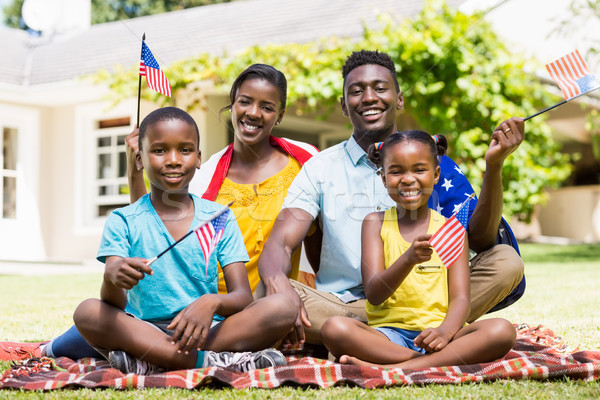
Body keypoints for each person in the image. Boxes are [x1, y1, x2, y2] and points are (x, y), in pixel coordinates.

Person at [25, 64, 317, 362]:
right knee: (91, 313)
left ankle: (148, 359)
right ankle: (198, 360)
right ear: (232, 104)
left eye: (267, 106)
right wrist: (133, 169)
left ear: (280, 115)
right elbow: (149, 223)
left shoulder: (305, 163)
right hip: (171, 301)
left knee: (280, 307)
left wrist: (216, 302)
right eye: (244, 101)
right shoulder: (209, 173)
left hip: (228, 310)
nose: (253, 112)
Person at [258, 50, 525, 345]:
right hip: (344, 308)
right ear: (344, 106)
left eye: (380, 88)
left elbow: (481, 240)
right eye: (356, 91)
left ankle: (408, 337)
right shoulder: (321, 168)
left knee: (506, 261)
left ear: (399, 99)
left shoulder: (434, 164)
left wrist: (495, 165)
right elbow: (281, 241)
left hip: (427, 302)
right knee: (267, 293)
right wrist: (275, 281)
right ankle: (417, 342)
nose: (369, 97)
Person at [72, 107, 296, 374]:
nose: (174, 160)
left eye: (185, 150)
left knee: (283, 306)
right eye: (159, 151)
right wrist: (112, 276)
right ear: (140, 159)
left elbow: (242, 297)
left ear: (199, 158)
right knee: (87, 312)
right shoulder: (123, 219)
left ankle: (153, 361)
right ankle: (210, 362)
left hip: (205, 330)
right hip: (144, 329)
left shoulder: (219, 217)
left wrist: (210, 302)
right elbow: (114, 305)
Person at [320, 131, 516, 368]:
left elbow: (461, 298)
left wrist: (444, 332)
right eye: (396, 171)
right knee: (335, 329)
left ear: (435, 175)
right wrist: (409, 258)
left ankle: (392, 368)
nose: (408, 179)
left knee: (502, 330)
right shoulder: (375, 223)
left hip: (439, 335)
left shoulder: (451, 230)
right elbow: (374, 293)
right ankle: (425, 363)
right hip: (388, 336)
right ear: (383, 179)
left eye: (419, 170)